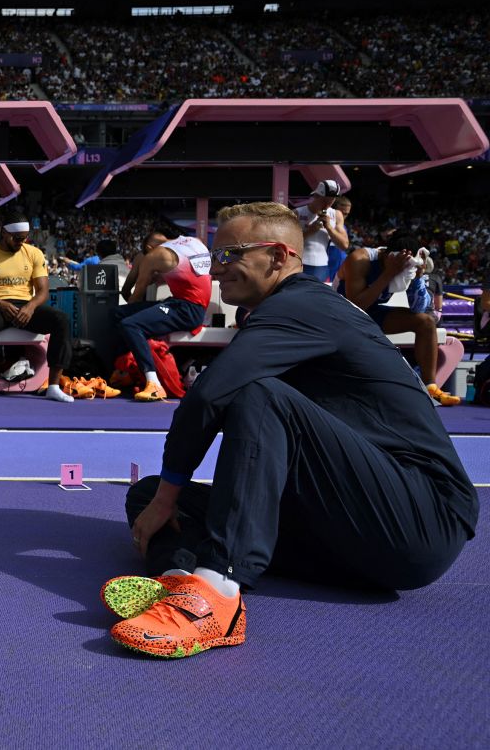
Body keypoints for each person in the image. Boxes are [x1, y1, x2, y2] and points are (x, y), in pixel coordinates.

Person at [108, 202, 477, 659]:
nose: (217, 270)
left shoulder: (302, 304)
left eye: (230, 256)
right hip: (346, 526)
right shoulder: (284, 310)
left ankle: (216, 586)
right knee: (144, 496)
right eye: (214, 258)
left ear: (280, 257)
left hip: (419, 520)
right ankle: (177, 580)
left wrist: (170, 495)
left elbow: (210, 395)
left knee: (253, 395)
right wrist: (162, 497)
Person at [338, 231, 460, 406]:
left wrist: (417, 279)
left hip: (373, 313)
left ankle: (431, 388)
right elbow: (355, 307)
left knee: (425, 322)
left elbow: (419, 308)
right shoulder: (360, 260)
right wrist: (388, 274)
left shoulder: (404, 264)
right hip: (342, 314)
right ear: (389, 255)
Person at [0, 211, 75, 404]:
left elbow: (43, 290)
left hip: (25, 306)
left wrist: (31, 306)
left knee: (62, 319)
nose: (21, 242)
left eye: (24, 238)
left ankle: (53, 386)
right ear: (4, 233)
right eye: (17, 238)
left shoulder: (34, 253)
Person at [111, 229, 212, 402]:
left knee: (130, 324)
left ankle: (153, 383)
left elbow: (136, 297)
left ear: (150, 248)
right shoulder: (194, 241)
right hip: (185, 304)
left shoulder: (155, 256)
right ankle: (126, 369)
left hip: (185, 309)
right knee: (118, 313)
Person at [294, 180, 349, 283]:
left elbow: (344, 245)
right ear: (316, 196)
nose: (328, 204)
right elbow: (289, 242)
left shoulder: (336, 214)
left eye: (331, 200)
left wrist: (329, 227)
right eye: (325, 200)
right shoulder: (298, 213)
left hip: (321, 265)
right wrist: (310, 231)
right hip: (299, 263)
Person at [121, 229, 168, 303]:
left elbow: (125, 291)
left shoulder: (142, 257)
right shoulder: (184, 255)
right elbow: (126, 291)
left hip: (151, 305)